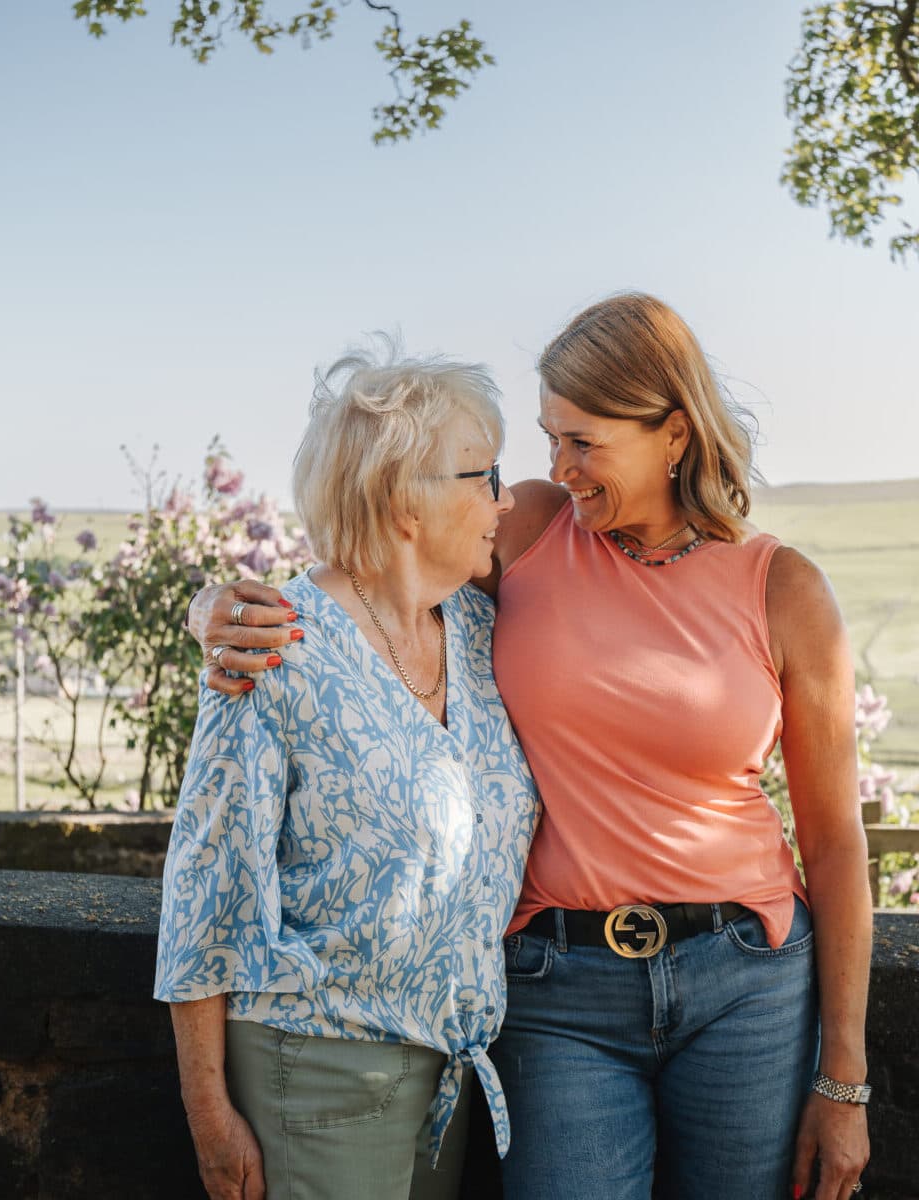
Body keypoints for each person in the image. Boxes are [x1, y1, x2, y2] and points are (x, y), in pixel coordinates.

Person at [184, 293, 873, 1200]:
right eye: (549, 438)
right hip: (556, 986)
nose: (557, 468)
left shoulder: (785, 589)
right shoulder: (537, 525)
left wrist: (845, 1080)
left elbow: (833, 845)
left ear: (673, 434)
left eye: (584, 442)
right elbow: (372, 548)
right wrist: (213, 610)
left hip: (745, 984)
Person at [155, 341, 539, 1200]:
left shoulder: (477, 630)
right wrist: (207, 1111)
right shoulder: (273, 647)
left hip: (451, 1069)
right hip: (317, 1070)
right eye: (484, 476)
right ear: (406, 497)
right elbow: (206, 892)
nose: (505, 500)